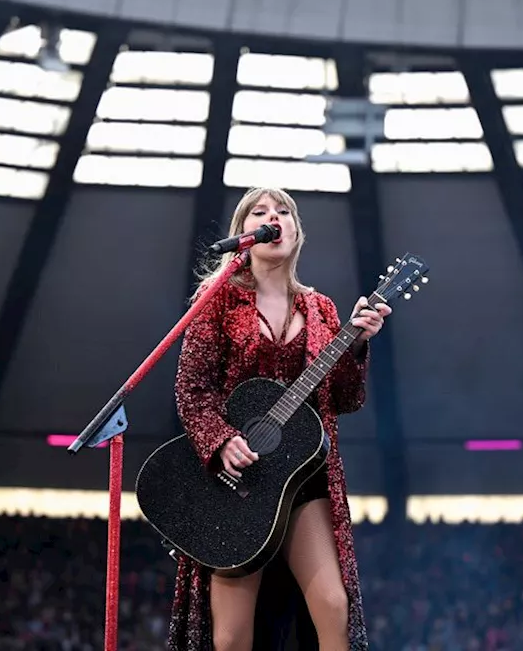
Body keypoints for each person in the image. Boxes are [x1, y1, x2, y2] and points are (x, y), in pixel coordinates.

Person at [166, 187, 390, 651]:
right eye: (260, 212)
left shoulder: (322, 309)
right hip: (239, 486)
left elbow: (346, 398)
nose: (274, 218)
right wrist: (221, 440)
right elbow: (192, 389)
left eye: (283, 212)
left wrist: (356, 345)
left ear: (296, 232)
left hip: (302, 481)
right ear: (243, 235)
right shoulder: (218, 300)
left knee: (332, 604)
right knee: (229, 637)